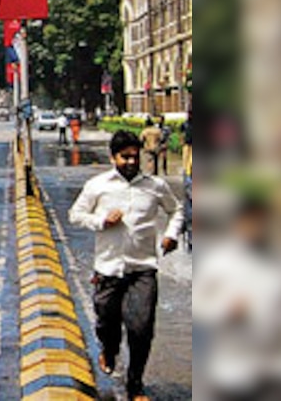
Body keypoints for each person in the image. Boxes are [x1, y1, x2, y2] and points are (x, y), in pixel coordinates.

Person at [69, 130, 184, 401]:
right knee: (106, 322)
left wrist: (171, 234)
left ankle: (135, 384)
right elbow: (75, 214)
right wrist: (101, 221)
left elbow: (176, 209)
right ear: (113, 158)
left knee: (141, 328)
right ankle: (109, 350)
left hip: (142, 269)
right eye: (125, 157)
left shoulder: (155, 185)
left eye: (135, 156)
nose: (131, 162)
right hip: (108, 269)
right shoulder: (98, 185)